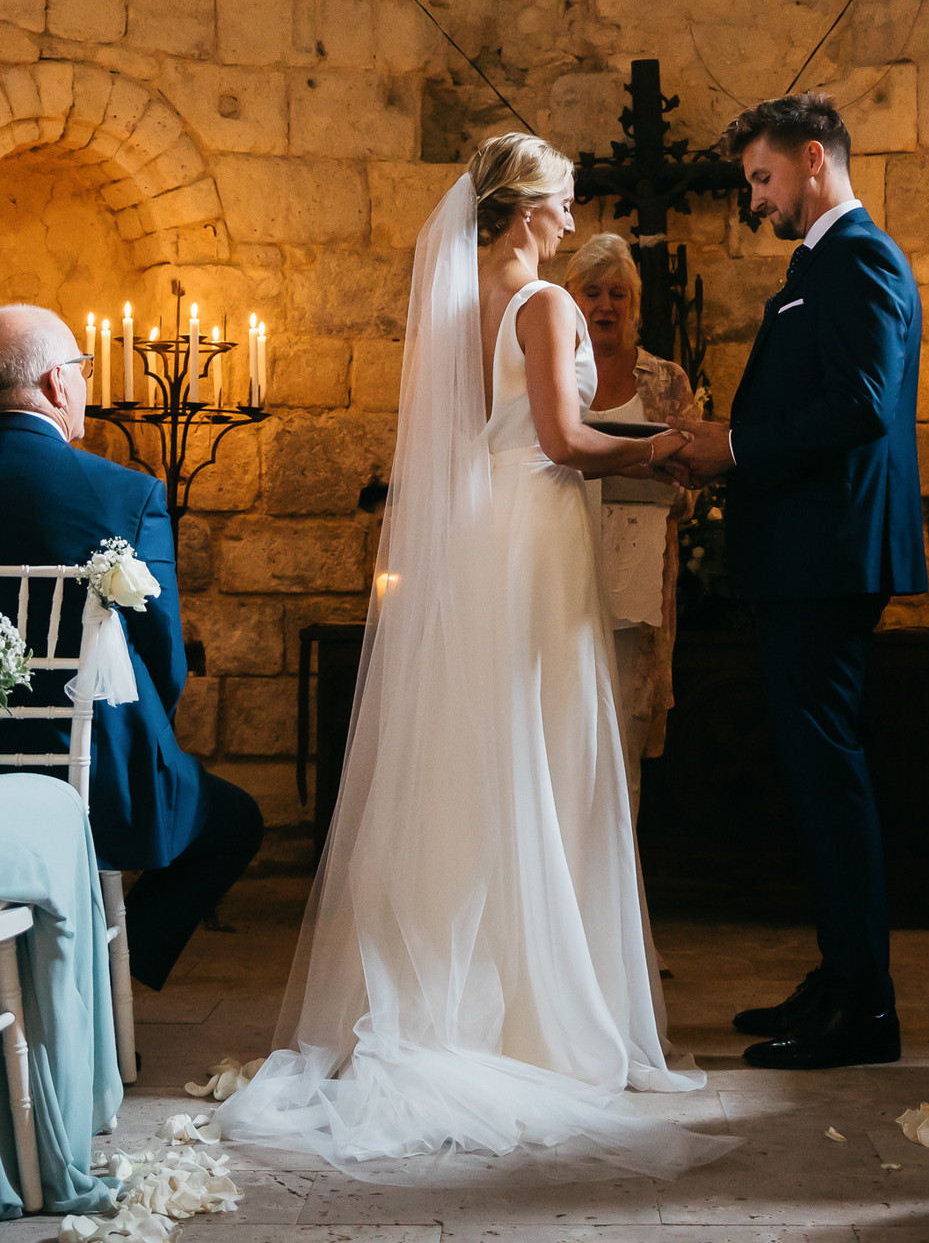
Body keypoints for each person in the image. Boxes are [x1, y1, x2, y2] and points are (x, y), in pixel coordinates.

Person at [220, 135, 731, 1182]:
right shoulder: (541, 305)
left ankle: (488, 994)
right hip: (539, 530)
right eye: (568, 198)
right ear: (532, 207)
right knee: (554, 754)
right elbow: (558, 439)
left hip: (489, 533)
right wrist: (664, 445)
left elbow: (490, 434)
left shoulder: (460, 303)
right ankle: (544, 1021)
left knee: (497, 755)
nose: (576, 213)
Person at [674, 93, 926, 1070]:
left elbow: (860, 406)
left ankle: (865, 1009)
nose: (756, 199)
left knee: (830, 781)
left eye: (763, 179)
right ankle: (840, 978)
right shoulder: (818, 264)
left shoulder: (858, 256)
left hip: (826, 559)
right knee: (820, 777)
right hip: (806, 554)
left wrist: (731, 446)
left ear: (813, 160)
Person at [0, 304, 263, 991]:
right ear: (59, 384)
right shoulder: (125, 492)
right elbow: (161, 656)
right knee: (234, 822)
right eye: (84, 373)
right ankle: (97, 987)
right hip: (86, 770)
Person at [565, 232, 700, 818]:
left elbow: (690, 489)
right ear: (571, 301)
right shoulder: (553, 376)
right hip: (563, 567)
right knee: (560, 733)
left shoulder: (665, 381)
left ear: (634, 304)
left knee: (621, 740)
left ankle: (616, 899)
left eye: (618, 293)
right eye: (592, 292)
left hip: (636, 581)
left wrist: (646, 477)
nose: (605, 306)